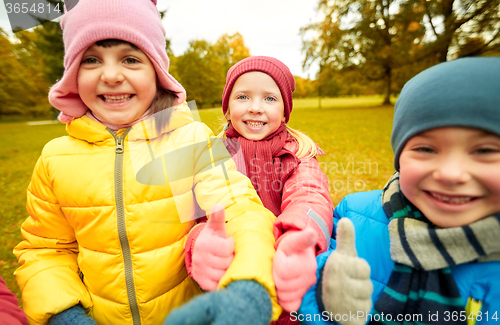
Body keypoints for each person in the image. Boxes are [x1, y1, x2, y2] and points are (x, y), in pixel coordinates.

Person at [13, 0, 281, 324]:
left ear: (157, 71)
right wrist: (65, 315)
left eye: (130, 58)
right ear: (72, 73)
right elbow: (46, 250)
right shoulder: (55, 158)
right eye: (91, 59)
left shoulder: (188, 139)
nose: (111, 75)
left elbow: (240, 210)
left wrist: (248, 285)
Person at [297, 57, 500, 325]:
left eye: (484, 151)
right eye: (426, 149)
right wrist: (325, 300)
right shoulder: (354, 219)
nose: (451, 174)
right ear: (400, 155)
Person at [179, 56, 334, 325]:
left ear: (285, 111)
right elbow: (198, 218)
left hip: (287, 281)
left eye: (270, 99)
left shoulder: (298, 155)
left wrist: (297, 239)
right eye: (243, 97)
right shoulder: (209, 157)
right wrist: (200, 241)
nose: (255, 108)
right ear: (227, 109)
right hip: (229, 282)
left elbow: (309, 195)